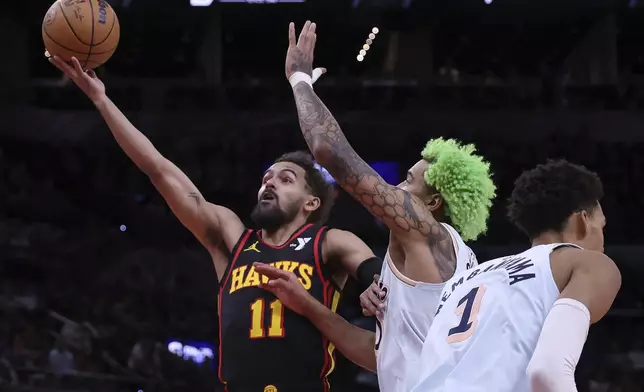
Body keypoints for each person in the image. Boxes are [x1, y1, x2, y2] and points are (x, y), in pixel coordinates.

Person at [48, 56, 382, 392]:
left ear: (311, 203)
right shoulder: (231, 239)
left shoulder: (329, 242)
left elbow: (378, 276)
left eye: (285, 179)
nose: (269, 183)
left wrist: (375, 285)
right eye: (266, 178)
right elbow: (159, 169)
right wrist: (101, 100)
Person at [259, 20, 496, 392]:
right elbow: (382, 356)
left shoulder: (422, 229)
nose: (398, 188)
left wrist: (300, 81)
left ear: (432, 203)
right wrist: (308, 305)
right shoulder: (452, 258)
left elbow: (327, 150)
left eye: (409, 181)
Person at [407, 159, 621, 392]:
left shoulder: (465, 280)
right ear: (583, 220)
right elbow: (549, 371)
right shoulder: (589, 264)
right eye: (602, 226)